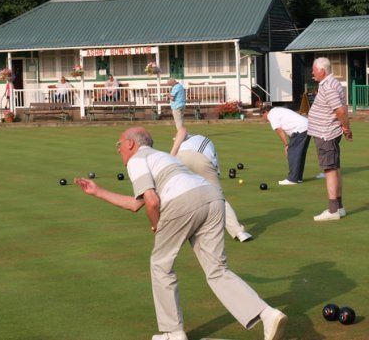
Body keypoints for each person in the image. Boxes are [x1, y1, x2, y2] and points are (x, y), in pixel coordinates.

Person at [75, 127, 287, 340]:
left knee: (160, 265)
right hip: (212, 198)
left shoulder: (136, 160)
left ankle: (173, 333)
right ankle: (268, 314)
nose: (118, 149)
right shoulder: (163, 157)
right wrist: (98, 191)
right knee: (217, 270)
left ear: (130, 143)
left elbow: (152, 201)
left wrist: (157, 226)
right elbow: (135, 204)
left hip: (183, 201)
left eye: (119, 144)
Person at [170, 127, 253, 242]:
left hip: (181, 160)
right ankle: (239, 232)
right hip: (202, 161)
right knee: (218, 198)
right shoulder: (203, 142)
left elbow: (182, 130)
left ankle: (176, 229)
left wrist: (172, 154)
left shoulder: (193, 137)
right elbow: (215, 170)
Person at [308, 57, 352, 221]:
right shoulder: (331, 83)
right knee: (334, 168)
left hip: (326, 133)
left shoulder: (329, 87)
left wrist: (346, 128)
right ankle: (339, 208)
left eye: (314, 69)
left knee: (330, 169)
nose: (312, 72)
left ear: (322, 71)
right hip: (327, 132)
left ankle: (333, 210)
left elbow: (340, 110)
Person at [260, 104, 311, 185]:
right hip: (306, 126)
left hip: (300, 129)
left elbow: (279, 130)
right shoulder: (277, 110)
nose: (263, 118)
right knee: (300, 154)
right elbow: (288, 127)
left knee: (292, 153)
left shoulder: (271, 115)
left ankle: (292, 179)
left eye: (262, 115)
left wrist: (286, 145)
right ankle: (298, 178)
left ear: (265, 112)